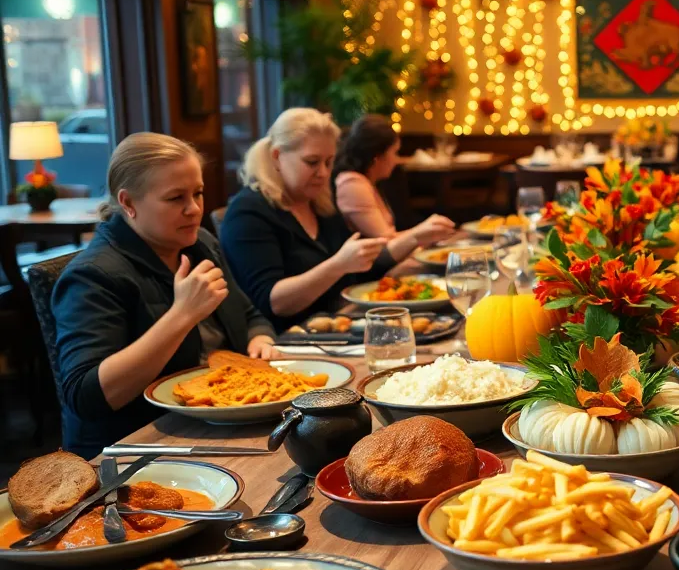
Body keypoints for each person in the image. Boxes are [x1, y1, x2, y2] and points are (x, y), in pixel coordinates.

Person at [53, 133, 277, 457]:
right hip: (137, 450)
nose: (194, 209)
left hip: (224, 422)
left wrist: (260, 341)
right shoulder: (93, 275)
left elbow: (249, 315)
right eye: (175, 198)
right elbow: (86, 397)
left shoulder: (200, 243)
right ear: (128, 203)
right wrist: (182, 315)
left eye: (198, 193)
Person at [221, 108, 435, 332]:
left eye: (329, 162)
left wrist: (414, 239)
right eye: (312, 162)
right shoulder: (248, 212)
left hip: (339, 327)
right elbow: (273, 302)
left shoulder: (319, 203)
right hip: (285, 342)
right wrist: (338, 265)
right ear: (277, 156)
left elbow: (359, 269)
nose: (323, 173)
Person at [334, 113, 456, 243]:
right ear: (377, 158)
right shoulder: (352, 184)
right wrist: (425, 230)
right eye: (394, 152)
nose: (397, 160)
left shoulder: (369, 181)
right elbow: (385, 241)